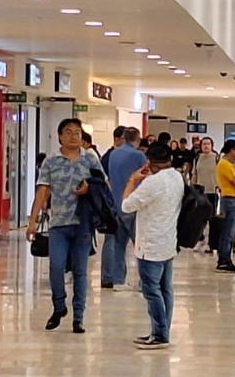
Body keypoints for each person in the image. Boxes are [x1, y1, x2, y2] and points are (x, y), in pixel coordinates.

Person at [27, 119, 100, 333]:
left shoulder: (90, 159)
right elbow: (42, 191)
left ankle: (79, 316)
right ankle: (59, 307)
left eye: (77, 133)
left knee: (80, 271)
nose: (73, 137)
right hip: (58, 223)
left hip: (83, 224)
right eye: (68, 132)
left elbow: (103, 184)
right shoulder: (51, 161)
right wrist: (32, 222)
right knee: (56, 267)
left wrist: (89, 187)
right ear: (60, 136)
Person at [121, 140, 185, 349]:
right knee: (166, 288)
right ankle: (163, 329)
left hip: (150, 243)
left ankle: (159, 334)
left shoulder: (152, 183)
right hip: (168, 240)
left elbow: (126, 205)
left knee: (151, 290)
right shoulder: (177, 177)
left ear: (150, 163)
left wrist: (132, 180)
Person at [103, 126, 146, 289]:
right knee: (141, 245)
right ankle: (144, 281)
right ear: (138, 138)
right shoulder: (139, 156)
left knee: (118, 245)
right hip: (133, 204)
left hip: (116, 203)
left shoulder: (114, 153)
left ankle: (117, 280)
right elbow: (145, 177)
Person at [216, 140, 235, 272]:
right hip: (229, 199)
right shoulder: (224, 164)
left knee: (233, 232)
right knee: (228, 231)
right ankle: (223, 260)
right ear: (231, 150)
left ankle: (227, 258)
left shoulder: (233, 164)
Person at [193, 136, 221, 253]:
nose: (206, 146)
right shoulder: (197, 157)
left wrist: (219, 186)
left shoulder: (217, 158)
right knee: (199, 218)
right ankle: (200, 239)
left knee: (213, 219)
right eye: (204, 144)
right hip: (200, 191)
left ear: (212, 145)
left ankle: (212, 244)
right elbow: (195, 173)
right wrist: (193, 187)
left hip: (212, 191)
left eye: (208, 144)